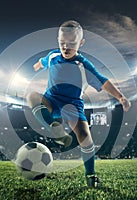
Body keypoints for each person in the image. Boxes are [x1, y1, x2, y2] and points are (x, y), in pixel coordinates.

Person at [26, 20, 131, 187]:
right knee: (31, 96)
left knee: (85, 137)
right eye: (62, 43)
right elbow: (43, 60)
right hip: (52, 100)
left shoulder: (83, 64)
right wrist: (38, 65)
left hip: (73, 105)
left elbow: (102, 81)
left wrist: (120, 97)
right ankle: (56, 129)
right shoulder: (53, 56)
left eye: (71, 43)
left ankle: (90, 175)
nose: (66, 47)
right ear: (58, 40)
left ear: (81, 43)